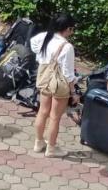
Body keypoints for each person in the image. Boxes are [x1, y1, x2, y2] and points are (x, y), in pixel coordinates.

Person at [31, 14, 77, 158]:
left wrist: (41, 57)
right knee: (55, 116)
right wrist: (73, 91)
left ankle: (38, 142)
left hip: (44, 78)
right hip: (59, 84)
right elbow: (68, 73)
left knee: (42, 112)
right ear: (68, 29)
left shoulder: (45, 36)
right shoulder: (67, 46)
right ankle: (51, 148)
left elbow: (33, 43)